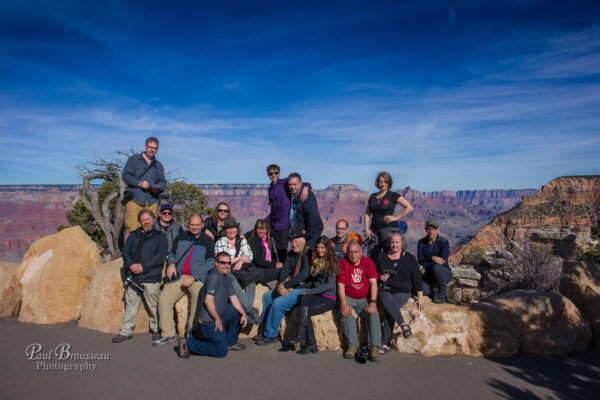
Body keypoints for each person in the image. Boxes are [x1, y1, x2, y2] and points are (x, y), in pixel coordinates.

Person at [154, 214, 215, 346]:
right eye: (192, 224)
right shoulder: (181, 237)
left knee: (197, 297)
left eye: (197, 225)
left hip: (197, 277)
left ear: (202, 225)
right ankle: (168, 333)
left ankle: (191, 331)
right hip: (180, 275)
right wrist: (171, 264)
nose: (194, 227)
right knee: (164, 299)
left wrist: (194, 276)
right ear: (188, 225)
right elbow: (173, 254)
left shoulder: (208, 241)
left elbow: (210, 262)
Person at [177, 252, 248, 358]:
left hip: (219, 313)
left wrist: (243, 314)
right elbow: (208, 300)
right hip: (208, 320)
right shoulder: (214, 276)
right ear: (216, 263)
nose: (226, 265)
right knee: (221, 352)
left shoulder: (227, 277)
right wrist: (217, 318)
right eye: (223, 263)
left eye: (228, 263)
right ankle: (189, 343)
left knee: (237, 312)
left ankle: (230, 342)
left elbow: (233, 297)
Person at [112, 209, 167, 344]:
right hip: (133, 276)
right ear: (140, 222)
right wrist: (131, 265)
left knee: (154, 304)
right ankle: (126, 331)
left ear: (153, 219)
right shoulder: (133, 235)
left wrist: (143, 267)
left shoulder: (160, 236)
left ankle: (156, 329)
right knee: (131, 304)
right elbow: (126, 252)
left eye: (148, 219)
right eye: (143, 220)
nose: (146, 222)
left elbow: (160, 256)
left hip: (150, 275)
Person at [255, 230, 311, 346]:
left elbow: (304, 275)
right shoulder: (291, 254)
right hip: (289, 286)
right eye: (292, 242)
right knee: (267, 296)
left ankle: (271, 335)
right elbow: (285, 269)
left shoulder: (308, 254)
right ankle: (264, 330)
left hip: (302, 289)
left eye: (296, 241)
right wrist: (281, 284)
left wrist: (285, 285)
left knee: (278, 303)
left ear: (302, 242)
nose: (293, 244)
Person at [376, 232, 424, 355]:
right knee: (384, 296)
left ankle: (385, 343)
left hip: (402, 292)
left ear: (402, 243)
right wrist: (380, 276)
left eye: (397, 242)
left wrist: (420, 297)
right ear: (388, 243)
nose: (394, 245)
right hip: (386, 289)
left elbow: (417, 278)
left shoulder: (409, 258)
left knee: (389, 312)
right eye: (392, 242)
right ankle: (403, 325)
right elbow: (374, 273)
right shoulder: (382, 256)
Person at [290, 236, 338, 355]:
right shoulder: (316, 260)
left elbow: (329, 286)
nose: (320, 250)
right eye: (318, 248)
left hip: (328, 298)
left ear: (327, 248)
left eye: (322, 248)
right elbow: (313, 282)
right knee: (303, 298)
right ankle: (309, 342)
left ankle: (306, 342)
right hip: (317, 294)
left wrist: (310, 291)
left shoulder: (332, 262)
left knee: (305, 310)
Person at [337, 242, 382, 362]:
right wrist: (343, 303)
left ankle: (374, 346)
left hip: (364, 299)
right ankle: (352, 345)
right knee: (345, 313)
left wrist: (373, 302)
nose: (353, 255)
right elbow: (340, 286)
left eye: (355, 252)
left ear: (361, 252)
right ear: (347, 253)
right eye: (350, 252)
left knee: (374, 313)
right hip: (348, 297)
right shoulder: (343, 264)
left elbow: (373, 284)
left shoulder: (368, 263)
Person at [214, 216, 261, 325]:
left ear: (237, 228)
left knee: (251, 282)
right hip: (226, 270)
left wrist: (240, 262)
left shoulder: (242, 240)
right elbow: (222, 260)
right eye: (228, 228)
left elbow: (249, 255)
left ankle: (247, 313)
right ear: (225, 230)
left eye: (233, 228)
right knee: (233, 282)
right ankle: (249, 310)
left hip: (241, 270)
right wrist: (240, 258)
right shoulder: (220, 242)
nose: (231, 231)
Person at [122, 137, 167, 239]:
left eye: (154, 148)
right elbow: (126, 176)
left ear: (157, 149)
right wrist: (139, 183)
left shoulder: (158, 165)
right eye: (150, 147)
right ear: (145, 147)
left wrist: (157, 187)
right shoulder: (134, 160)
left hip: (152, 201)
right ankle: (128, 254)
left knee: (150, 229)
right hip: (135, 199)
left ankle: (146, 254)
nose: (152, 150)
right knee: (132, 229)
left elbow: (163, 182)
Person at [364, 171, 414, 260]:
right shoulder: (373, 196)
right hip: (374, 231)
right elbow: (367, 213)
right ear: (377, 183)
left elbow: (409, 207)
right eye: (380, 182)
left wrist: (397, 217)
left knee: (391, 253)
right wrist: (367, 229)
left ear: (389, 183)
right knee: (372, 255)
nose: (383, 184)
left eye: (385, 182)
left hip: (388, 229)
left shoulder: (392, 195)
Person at [265, 164, 311, 261]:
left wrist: (306, 189)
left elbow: (306, 183)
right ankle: (273, 265)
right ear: (268, 175)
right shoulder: (270, 188)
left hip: (283, 224)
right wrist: (270, 201)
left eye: (275, 173)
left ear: (279, 173)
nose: (273, 175)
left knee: (282, 250)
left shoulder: (285, 182)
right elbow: (274, 201)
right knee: (264, 240)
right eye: (271, 174)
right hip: (272, 220)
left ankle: (283, 270)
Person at [417, 218, 453, 304]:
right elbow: (420, 259)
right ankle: (433, 290)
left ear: (438, 229)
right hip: (428, 275)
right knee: (420, 289)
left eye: (434, 229)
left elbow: (442, 261)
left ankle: (442, 295)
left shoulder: (444, 242)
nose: (431, 231)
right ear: (426, 229)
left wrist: (425, 264)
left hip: (444, 273)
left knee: (437, 268)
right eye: (429, 229)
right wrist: (432, 258)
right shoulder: (421, 242)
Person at [288, 173, 323, 249]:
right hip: (299, 233)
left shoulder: (306, 196)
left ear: (300, 183)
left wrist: (307, 235)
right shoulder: (293, 195)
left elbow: (313, 217)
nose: (292, 187)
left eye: (294, 184)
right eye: (290, 185)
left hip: (310, 234)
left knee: (306, 255)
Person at [247, 219, 284, 292]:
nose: (261, 231)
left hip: (266, 267)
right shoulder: (253, 241)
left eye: (263, 229)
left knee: (285, 267)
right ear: (255, 229)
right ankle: (281, 290)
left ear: (267, 230)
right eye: (259, 229)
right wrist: (275, 265)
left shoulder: (267, 239)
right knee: (283, 271)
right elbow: (258, 261)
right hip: (259, 271)